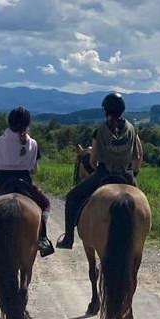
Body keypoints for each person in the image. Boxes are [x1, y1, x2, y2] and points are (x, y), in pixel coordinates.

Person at [56, 92, 143, 250]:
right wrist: (133, 172)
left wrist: (96, 169)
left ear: (106, 110)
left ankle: (68, 238)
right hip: (126, 175)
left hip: (104, 174)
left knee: (72, 197)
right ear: (122, 110)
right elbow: (138, 156)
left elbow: (93, 159)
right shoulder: (132, 129)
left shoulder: (100, 130)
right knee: (142, 206)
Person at [0, 107, 54, 258]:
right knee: (45, 203)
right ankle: (43, 237)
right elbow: (33, 171)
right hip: (25, 183)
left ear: (9, 123)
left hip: (1, 183)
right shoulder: (33, 143)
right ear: (27, 123)